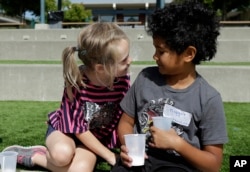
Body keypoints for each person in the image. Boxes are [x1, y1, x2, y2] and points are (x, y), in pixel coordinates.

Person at [111, 0, 228, 172]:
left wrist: (177, 144)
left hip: (177, 165)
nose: (155, 56)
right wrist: (128, 147)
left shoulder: (209, 99)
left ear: (188, 54)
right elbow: (126, 122)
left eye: (161, 51)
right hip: (140, 159)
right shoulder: (145, 78)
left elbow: (213, 164)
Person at [3, 22, 132, 172]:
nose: (130, 61)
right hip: (67, 131)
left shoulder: (123, 81)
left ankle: (35, 160)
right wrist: (110, 156)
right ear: (100, 68)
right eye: (124, 60)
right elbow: (78, 128)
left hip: (93, 139)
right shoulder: (77, 83)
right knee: (61, 156)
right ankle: (36, 156)